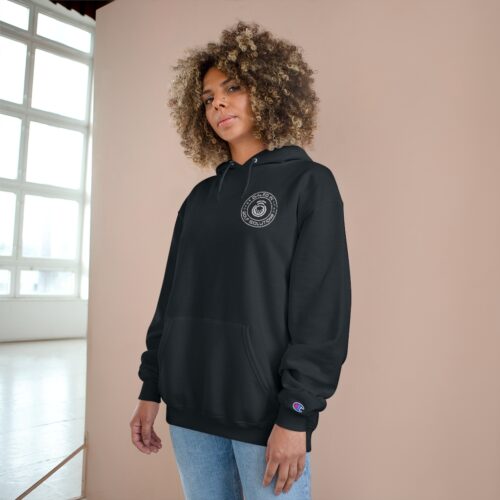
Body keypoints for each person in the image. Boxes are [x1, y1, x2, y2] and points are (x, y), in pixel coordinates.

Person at [129, 20, 351, 499]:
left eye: (232, 88)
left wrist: (296, 413)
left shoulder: (309, 185)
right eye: (208, 97)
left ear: (268, 90)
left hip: (265, 418)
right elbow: (171, 300)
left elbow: (322, 311)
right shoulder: (199, 199)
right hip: (189, 411)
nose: (218, 104)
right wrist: (151, 388)